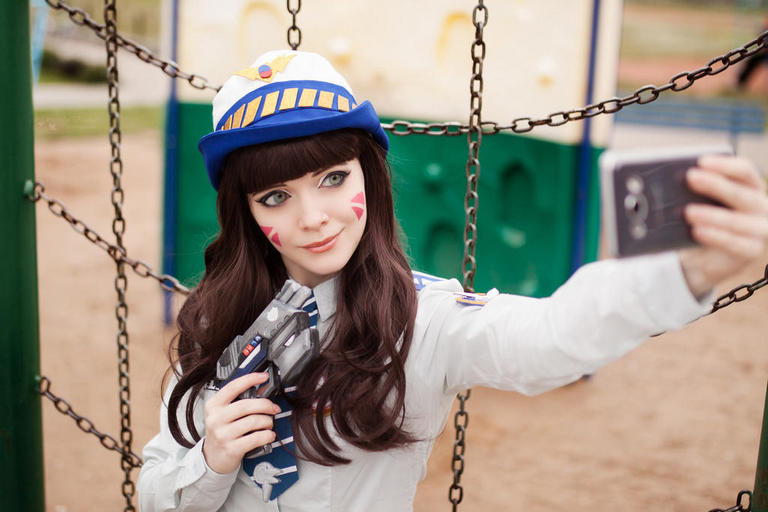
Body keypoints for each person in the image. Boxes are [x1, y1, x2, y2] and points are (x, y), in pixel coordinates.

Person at [137, 50, 768, 511]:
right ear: (246, 213)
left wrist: (680, 272)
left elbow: (551, 339)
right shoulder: (218, 316)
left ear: (369, 179)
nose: (313, 219)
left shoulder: (417, 318)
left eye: (334, 178)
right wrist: (209, 461)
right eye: (276, 196)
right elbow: (156, 489)